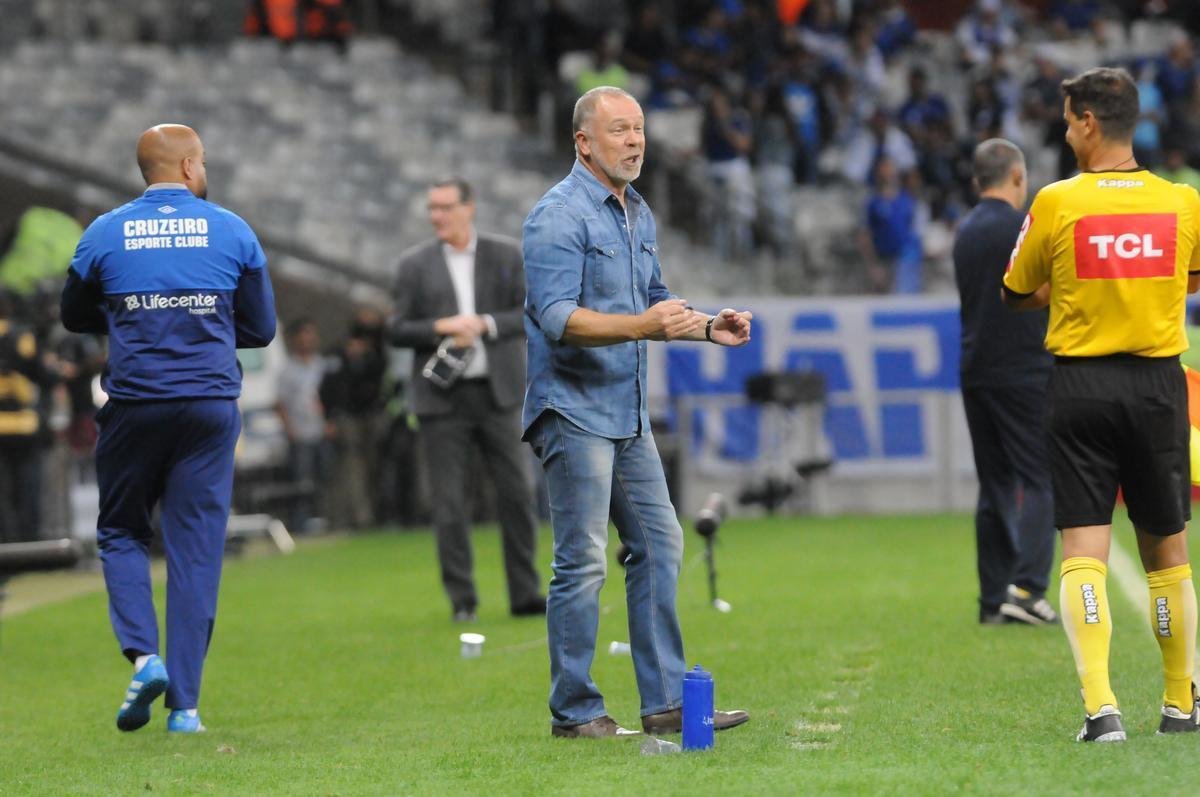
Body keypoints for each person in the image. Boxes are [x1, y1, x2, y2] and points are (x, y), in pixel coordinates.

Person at [522, 86, 753, 738]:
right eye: (620, 129)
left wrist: (709, 326)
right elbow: (558, 318)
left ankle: (664, 703)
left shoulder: (636, 212)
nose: (634, 141)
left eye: (639, 129)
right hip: (571, 407)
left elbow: (654, 302)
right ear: (583, 141)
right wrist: (644, 325)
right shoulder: (555, 216)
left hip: (625, 410)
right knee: (583, 560)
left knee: (661, 542)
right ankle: (574, 710)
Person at [1003, 67, 1200, 742]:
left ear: (1089, 121)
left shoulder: (1058, 202)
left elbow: (1016, 287)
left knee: (1083, 546)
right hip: (1156, 386)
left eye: (1066, 120)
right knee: (1168, 550)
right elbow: (1189, 274)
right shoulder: (1181, 202)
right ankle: (1181, 705)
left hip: (1080, 386)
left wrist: (1081, 286)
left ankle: (1101, 710)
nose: (1064, 131)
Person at [60, 124, 276, 734]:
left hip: (136, 405)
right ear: (186, 167)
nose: (204, 169)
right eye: (202, 160)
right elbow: (260, 330)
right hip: (209, 408)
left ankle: (144, 657)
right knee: (196, 551)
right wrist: (199, 321)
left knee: (122, 531)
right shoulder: (233, 230)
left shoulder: (103, 232)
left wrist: (131, 311)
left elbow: (73, 315)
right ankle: (186, 709)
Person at [391, 177, 545, 623]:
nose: (438, 216)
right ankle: (463, 600)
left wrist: (484, 324)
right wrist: (442, 326)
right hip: (442, 399)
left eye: (445, 207)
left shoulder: (505, 255)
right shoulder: (413, 265)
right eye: (432, 209)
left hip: (499, 394)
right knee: (448, 502)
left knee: (518, 493)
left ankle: (524, 592)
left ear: (468, 208)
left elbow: (531, 312)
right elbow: (397, 328)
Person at [953, 138, 1058, 627]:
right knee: (1040, 476)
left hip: (976, 369)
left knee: (994, 483)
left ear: (978, 181)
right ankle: (1028, 590)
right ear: (1018, 177)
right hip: (1024, 368)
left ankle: (992, 596)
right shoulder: (1025, 226)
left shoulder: (965, 230)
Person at [275, 317, 330, 534]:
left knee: (324, 478)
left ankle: (325, 518)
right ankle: (301, 522)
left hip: (322, 430)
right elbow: (280, 404)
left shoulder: (322, 364)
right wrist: (290, 429)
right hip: (300, 433)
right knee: (302, 481)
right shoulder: (288, 370)